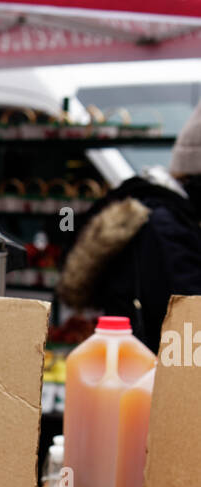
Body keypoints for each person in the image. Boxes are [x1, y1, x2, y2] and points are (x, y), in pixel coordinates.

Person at [58, 99, 201, 353]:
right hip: (155, 374)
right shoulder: (167, 226)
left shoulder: (153, 208)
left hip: (136, 365)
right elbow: (190, 323)